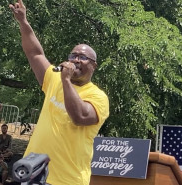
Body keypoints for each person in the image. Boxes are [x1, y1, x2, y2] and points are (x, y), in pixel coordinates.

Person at [9, 1, 110, 184]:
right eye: (73, 55)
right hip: (33, 174)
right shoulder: (54, 79)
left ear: (93, 66)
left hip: (67, 179)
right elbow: (35, 54)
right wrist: (23, 22)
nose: (76, 59)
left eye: (83, 57)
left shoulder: (98, 97)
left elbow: (79, 116)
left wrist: (65, 80)